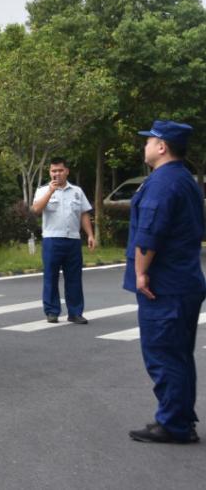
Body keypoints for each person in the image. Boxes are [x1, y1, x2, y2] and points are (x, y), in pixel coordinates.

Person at [124, 120, 205, 445]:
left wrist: (142, 272)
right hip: (184, 281)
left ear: (162, 147)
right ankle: (181, 417)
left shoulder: (162, 182)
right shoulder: (184, 179)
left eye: (149, 141)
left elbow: (150, 233)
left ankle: (173, 423)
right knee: (179, 354)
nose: (144, 146)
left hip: (164, 285)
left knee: (163, 353)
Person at [31, 157, 95, 324]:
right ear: (49, 172)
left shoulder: (77, 191)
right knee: (50, 277)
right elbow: (36, 209)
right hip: (52, 239)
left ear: (66, 171)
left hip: (73, 239)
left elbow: (84, 214)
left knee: (74, 277)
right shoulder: (42, 190)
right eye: (53, 171)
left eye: (60, 170)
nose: (57, 174)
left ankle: (75, 312)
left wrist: (90, 235)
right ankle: (52, 311)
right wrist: (50, 192)